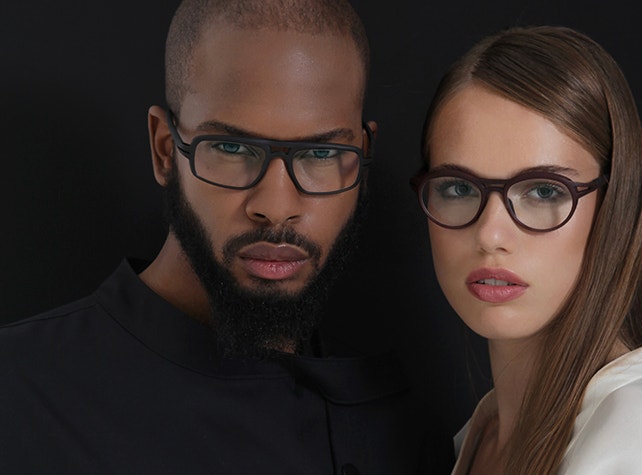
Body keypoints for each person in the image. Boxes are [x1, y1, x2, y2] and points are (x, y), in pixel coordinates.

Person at [0, 1, 446, 473]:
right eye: (232, 148)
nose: (276, 206)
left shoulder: (403, 427)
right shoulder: (19, 392)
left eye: (320, 152)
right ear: (165, 151)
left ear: (360, 155)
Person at [410, 25, 642, 474]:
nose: (490, 235)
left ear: (616, 209)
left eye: (545, 192)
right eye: (458, 187)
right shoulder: (476, 437)